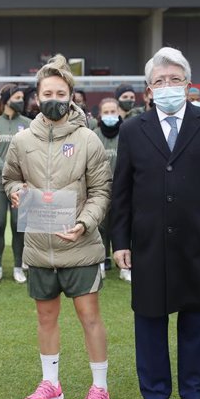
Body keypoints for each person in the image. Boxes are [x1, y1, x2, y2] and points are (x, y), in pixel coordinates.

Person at [111, 47, 200, 399]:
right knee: (149, 321)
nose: (167, 86)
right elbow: (122, 190)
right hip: (148, 241)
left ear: (187, 83)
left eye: (174, 79)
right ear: (149, 88)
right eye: (159, 81)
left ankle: (195, 397)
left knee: (195, 322)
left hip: (196, 242)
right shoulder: (134, 128)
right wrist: (120, 241)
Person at [3, 54, 113, 399]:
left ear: (71, 97)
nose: (53, 97)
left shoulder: (88, 140)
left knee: (89, 317)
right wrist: (15, 191)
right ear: (37, 96)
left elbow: (101, 191)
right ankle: (51, 384)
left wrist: (83, 224)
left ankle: (100, 389)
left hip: (79, 247)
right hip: (38, 248)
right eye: (47, 91)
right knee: (45, 318)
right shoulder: (21, 140)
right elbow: (10, 178)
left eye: (60, 92)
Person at [0, 84, 30, 284]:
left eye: (22, 97)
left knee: (17, 224)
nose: (22, 101)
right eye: (18, 97)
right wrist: (6, 169)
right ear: (7, 100)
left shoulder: (29, 124)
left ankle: (18, 267)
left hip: (21, 183)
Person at [93, 97, 125, 279]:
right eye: (106, 112)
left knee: (120, 225)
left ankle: (125, 266)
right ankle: (102, 262)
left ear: (119, 112)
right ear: (100, 115)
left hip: (122, 189)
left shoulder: (127, 132)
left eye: (113, 112)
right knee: (101, 226)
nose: (110, 115)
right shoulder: (94, 134)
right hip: (100, 189)